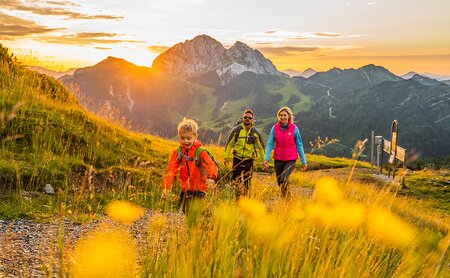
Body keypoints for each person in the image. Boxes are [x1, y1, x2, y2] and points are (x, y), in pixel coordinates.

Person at [162, 118, 218, 213]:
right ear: (179, 137)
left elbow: (212, 166)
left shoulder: (200, 152)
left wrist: (211, 177)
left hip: (200, 189)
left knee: (201, 213)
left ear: (195, 136)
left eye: (189, 138)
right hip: (185, 189)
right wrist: (166, 187)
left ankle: (206, 226)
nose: (186, 141)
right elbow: (171, 171)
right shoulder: (178, 153)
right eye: (182, 138)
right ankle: (192, 227)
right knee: (186, 211)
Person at [263, 107, 307, 197]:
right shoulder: (274, 128)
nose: (283, 117)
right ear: (278, 116)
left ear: (289, 116)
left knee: (283, 179)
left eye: (284, 115)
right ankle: (286, 200)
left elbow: (299, 145)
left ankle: (288, 200)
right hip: (278, 159)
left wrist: (304, 161)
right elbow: (270, 143)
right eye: (281, 115)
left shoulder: (294, 129)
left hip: (291, 159)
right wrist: (266, 158)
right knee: (280, 181)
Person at [224, 109, 265, 198]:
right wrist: (225, 157)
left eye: (249, 118)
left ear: (252, 120)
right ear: (242, 118)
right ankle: (236, 198)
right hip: (237, 159)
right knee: (235, 180)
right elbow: (229, 143)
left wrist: (264, 160)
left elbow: (261, 147)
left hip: (248, 160)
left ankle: (246, 199)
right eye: (245, 117)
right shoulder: (236, 130)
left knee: (247, 181)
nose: (247, 119)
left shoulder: (255, 132)